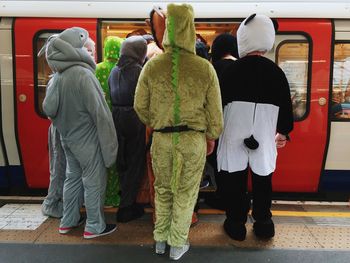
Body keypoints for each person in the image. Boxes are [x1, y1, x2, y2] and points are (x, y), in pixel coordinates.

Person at [134, 4, 223, 260]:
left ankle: (160, 240)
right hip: (193, 139)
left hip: (161, 139)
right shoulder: (204, 67)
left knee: (162, 189)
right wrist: (211, 136)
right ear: (190, 28)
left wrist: (159, 122)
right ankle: (177, 243)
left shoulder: (152, 66)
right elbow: (215, 114)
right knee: (186, 192)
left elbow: (139, 106)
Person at [217, 14, 294, 241]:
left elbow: (217, 107)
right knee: (263, 180)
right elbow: (286, 114)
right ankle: (263, 223)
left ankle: (236, 223)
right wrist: (283, 132)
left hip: (233, 135)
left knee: (235, 181)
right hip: (264, 134)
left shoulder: (229, 71)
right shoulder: (277, 73)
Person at [42, 27, 118, 239]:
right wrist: (110, 147)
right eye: (89, 50)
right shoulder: (84, 75)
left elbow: (49, 109)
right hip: (87, 139)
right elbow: (101, 114)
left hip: (67, 139)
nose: (92, 54)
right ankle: (94, 226)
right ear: (77, 49)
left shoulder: (58, 76)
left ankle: (68, 221)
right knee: (94, 180)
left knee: (72, 178)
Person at [108, 36, 147, 222]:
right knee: (135, 162)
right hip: (134, 117)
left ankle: (125, 198)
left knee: (122, 160)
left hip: (116, 116)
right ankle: (127, 207)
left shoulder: (114, 71)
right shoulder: (139, 70)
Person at [205, 33, 239, 211]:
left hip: (217, 123)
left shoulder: (212, 69)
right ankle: (235, 199)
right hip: (239, 124)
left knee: (218, 161)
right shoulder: (241, 68)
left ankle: (222, 196)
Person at [96, 36, 124, 208]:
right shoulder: (121, 69)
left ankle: (99, 194)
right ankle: (113, 195)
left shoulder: (96, 68)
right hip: (118, 119)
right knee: (115, 159)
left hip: (99, 119)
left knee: (100, 158)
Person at [41, 124, 66, 218]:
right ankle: (51, 204)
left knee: (59, 166)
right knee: (59, 167)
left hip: (62, 125)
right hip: (61, 127)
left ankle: (56, 202)